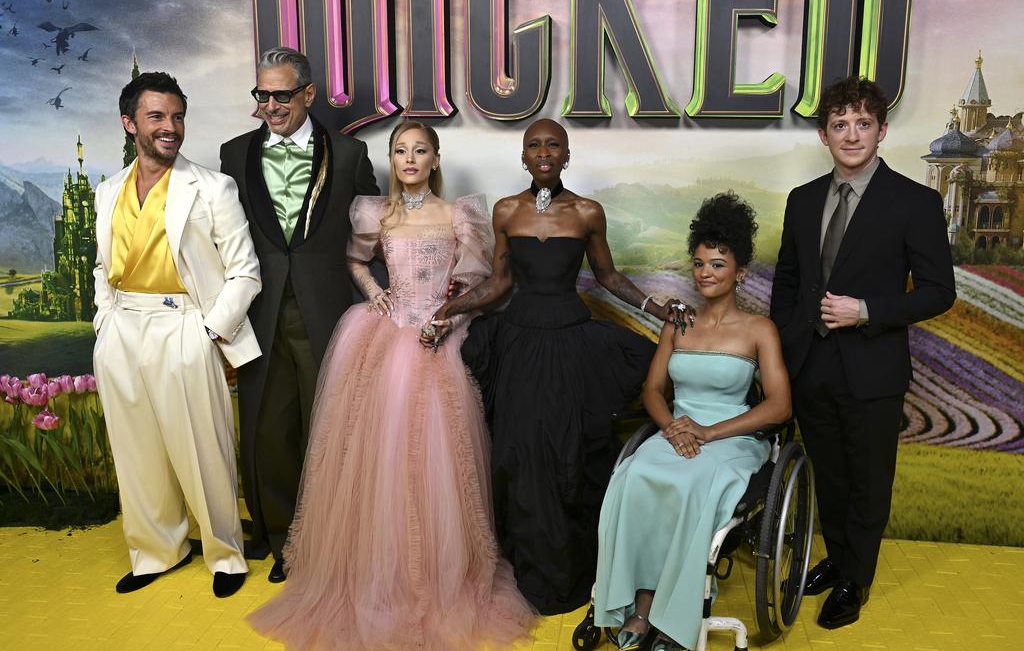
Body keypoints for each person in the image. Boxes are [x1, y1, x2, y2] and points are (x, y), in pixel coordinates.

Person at [247, 121, 536, 650]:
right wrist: (373, 291)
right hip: (385, 339)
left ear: (435, 158)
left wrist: (447, 319)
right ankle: (380, 574)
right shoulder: (375, 213)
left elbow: (473, 284)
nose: (408, 159)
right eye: (400, 150)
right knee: (378, 461)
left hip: (438, 341)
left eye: (419, 150)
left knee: (438, 460)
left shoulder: (458, 215)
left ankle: (440, 577)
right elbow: (355, 259)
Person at [428, 118, 692, 615]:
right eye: (534, 145)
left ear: (566, 156)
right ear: (523, 156)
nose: (544, 152)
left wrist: (659, 309)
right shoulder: (506, 211)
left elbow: (609, 277)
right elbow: (500, 283)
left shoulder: (588, 211)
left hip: (571, 345)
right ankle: (527, 565)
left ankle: (572, 564)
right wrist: (451, 310)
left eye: (554, 145)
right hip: (520, 345)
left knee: (568, 451)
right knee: (517, 452)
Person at [770, 76, 956, 629]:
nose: (851, 135)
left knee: (869, 477)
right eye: (839, 125)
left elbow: (938, 292)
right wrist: (789, 337)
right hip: (811, 363)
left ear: (881, 130)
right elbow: (787, 278)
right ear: (824, 136)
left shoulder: (915, 202)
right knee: (829, 473)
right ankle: (838, 558)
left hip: (873, 365)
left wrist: (867, 311)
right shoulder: (802, 201)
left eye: (862, 123)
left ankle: (856, 579)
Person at [593, 192, 791, 651]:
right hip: (677, 429)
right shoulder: (677, 324)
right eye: (699, 263)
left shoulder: (760, 330)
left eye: (718, 264)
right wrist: (672, 427)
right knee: (635, 473)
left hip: (733, 436)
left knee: (693, 483)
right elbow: (651, 391)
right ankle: (642, 604)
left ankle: (670, 616)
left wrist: (708, 433)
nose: (705, 273)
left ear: (740, 272)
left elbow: (780, 406)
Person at [92, 72, 261, 598]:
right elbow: (102, 266)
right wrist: (104, 321)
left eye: (178, 116)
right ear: (130, 124)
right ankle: (157, 550)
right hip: (122, 328)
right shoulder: (106, 191)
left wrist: (208, 332)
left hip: (184, 325)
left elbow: (245, 272)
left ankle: (225, 555)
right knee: (135, 447)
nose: (171, 128)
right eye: (157, 117)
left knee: (202, 447)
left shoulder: (213, 187)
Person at [220, 47, 379, 582]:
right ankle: (284, 538)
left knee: (329, 430)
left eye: (281, 95)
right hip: (259, 313)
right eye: (261, 94)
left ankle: (331, 539)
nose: (269, 105)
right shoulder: (233, 154)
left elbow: (375, 234)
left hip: (328, 313)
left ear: (308, 94)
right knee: (269, 429)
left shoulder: (351, 154)